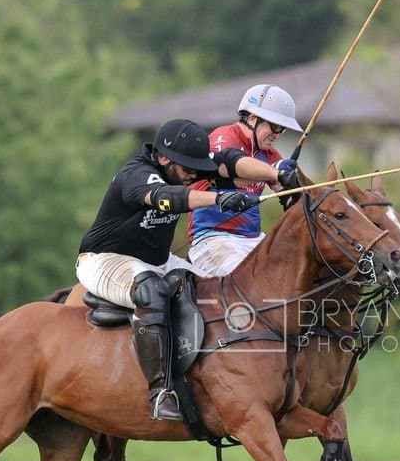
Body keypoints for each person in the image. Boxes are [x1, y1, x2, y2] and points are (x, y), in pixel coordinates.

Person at [76, 118, 302, 421]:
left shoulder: (184, 167)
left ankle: (211, 377)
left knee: (218, 293)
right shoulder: (136, 175)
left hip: (157, 260)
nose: (192, 176)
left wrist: (277, 173)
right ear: (165, 158)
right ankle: (160, 393)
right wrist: (219, 198)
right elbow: (169, 199)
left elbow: (230, 163)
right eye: (187, 170)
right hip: (105, 259)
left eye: (196, 170)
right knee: (151, 291)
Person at [186, 84, 304, 276]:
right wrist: (275, 171)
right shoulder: (223, 136)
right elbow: (231, 167)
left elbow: (289, 194)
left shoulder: (270, 154)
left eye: (282, 130)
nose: (278, 135)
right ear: (252, 118)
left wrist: (294, 185)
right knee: (253, 283)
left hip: (253, 239)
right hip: (212, 239)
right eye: (275, 126)